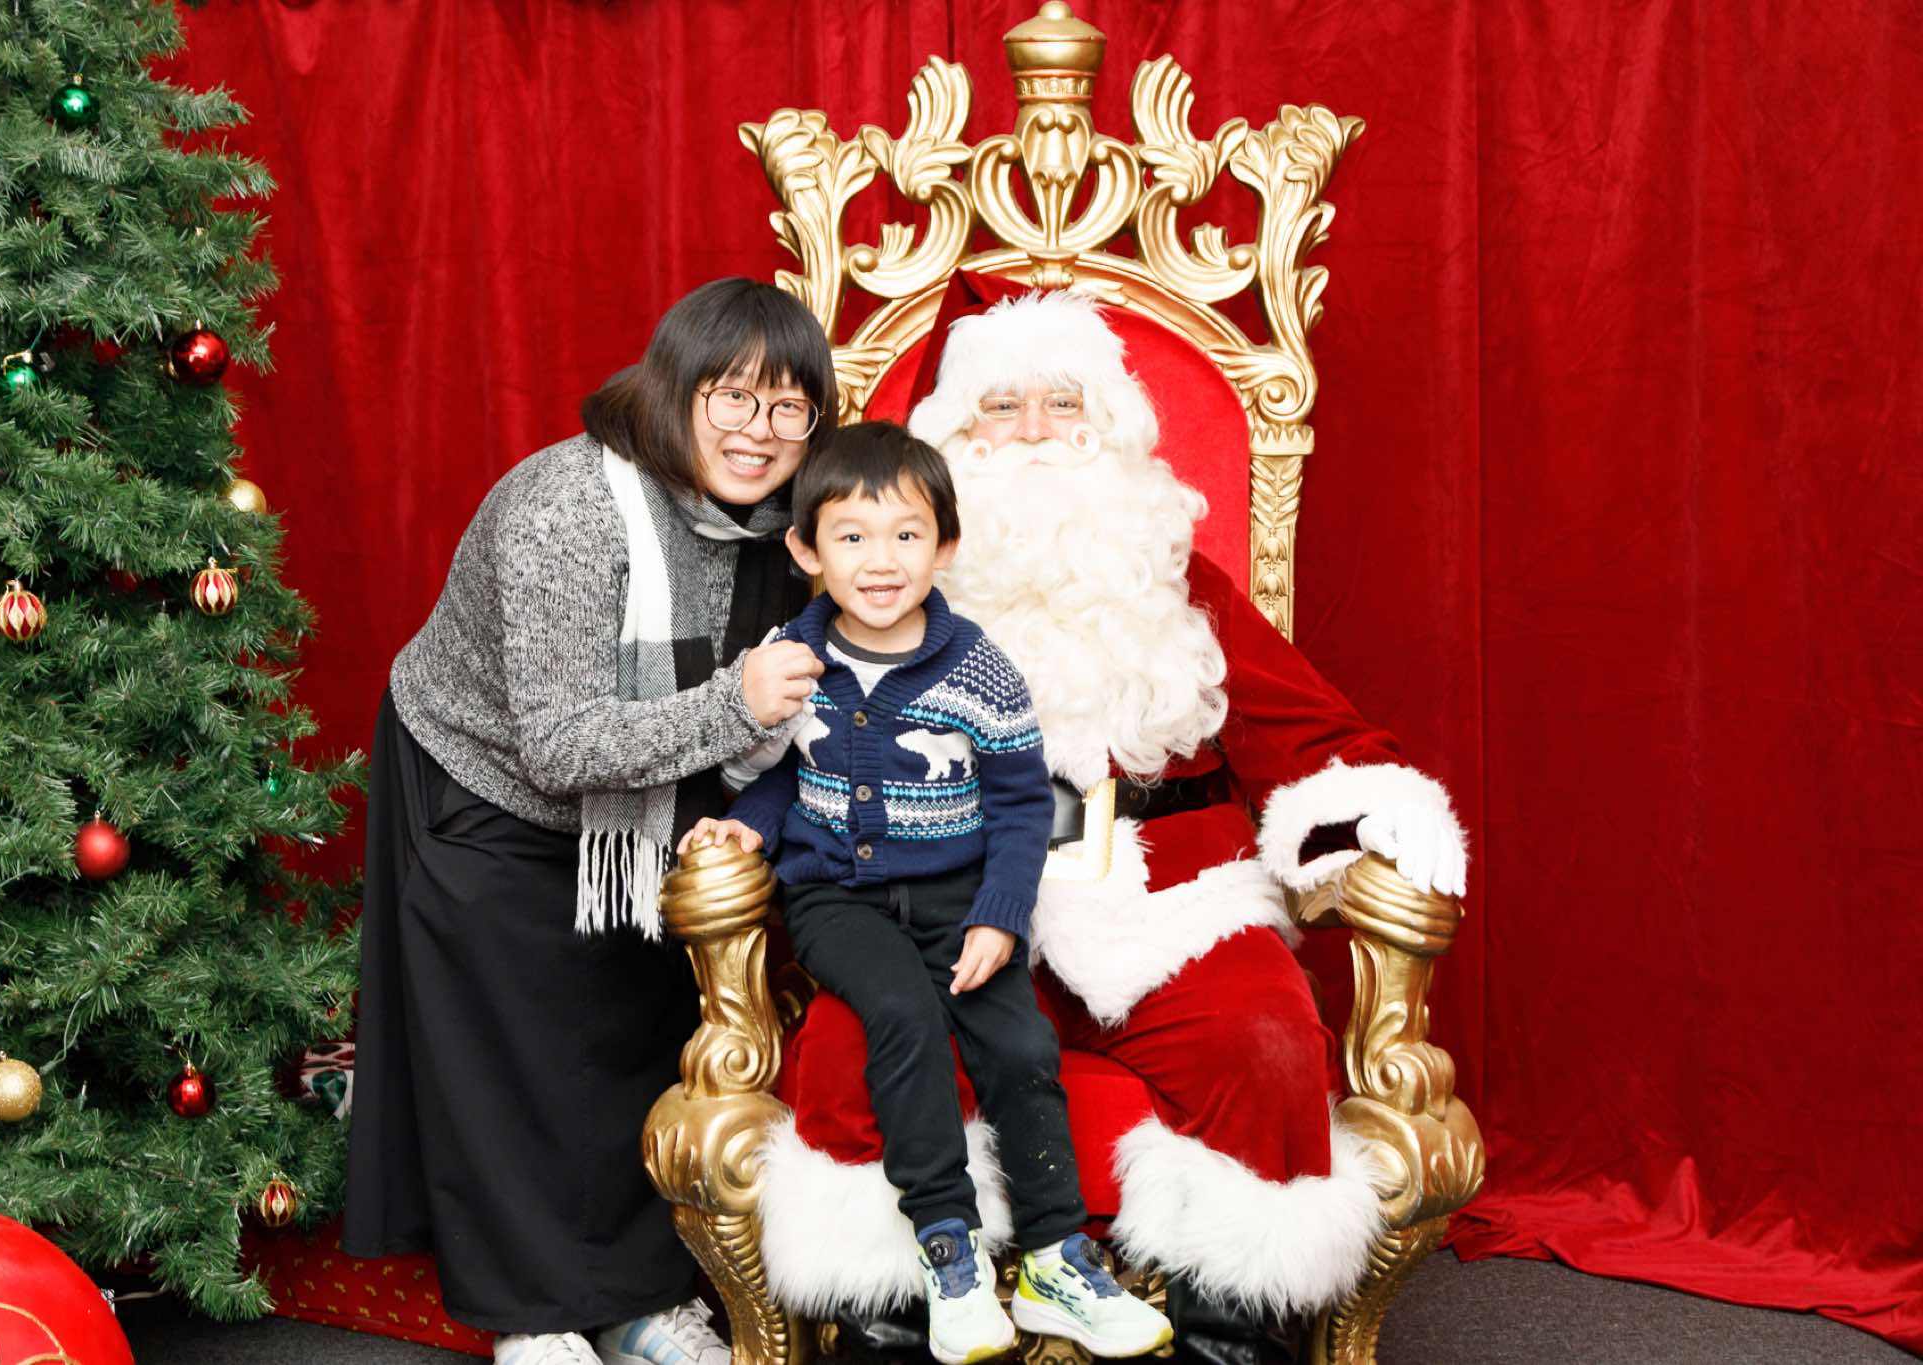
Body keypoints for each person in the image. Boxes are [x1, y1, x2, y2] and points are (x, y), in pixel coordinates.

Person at [753, 290, 1469, 1365]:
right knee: (855, 1049)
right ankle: (893, 1321)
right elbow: (797, 749)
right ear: (952, 441)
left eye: (1064, 403)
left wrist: (1376, 811)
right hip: (943, 898)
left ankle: (1228, 1333)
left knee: (1265, 1041)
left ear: (1112, 426)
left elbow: (1309, 730)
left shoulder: (1175, 585)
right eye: (1001, 407)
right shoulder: (887, 593)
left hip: (1167, 904)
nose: (1036, 432)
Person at [345, 278, 838, 1365]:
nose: (758, 431)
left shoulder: (794, 519)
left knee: (638, 1028)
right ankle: (531, 1315)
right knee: (516, 1049)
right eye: (731, 396)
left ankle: (634, 1299)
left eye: (787, 406)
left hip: (656, 789)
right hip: (487, 777)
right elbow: (559, 746)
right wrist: (736, 705)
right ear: (674, 390)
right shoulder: (566, 509)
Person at [682, 422, 1173, 1365]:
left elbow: (1023, 805)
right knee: (902, 1016)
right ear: (806, 550)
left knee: (1021, 1044)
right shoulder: (795, 655)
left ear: (945, 547)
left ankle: (1056, 1258)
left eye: (906, 534)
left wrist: (999, 915)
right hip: (838, 900)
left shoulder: (978, 668)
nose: (880, 561)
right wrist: (752, 825)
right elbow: (783, 771)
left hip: (959, 895)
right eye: (852, 536)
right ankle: (949, 1249)